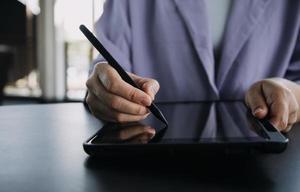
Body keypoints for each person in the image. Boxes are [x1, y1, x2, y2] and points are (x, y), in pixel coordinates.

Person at [86, 0, 300, 132]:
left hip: (267, 163)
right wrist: (105, 85)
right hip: (151, 162)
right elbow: (109, 65)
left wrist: (288, 91)